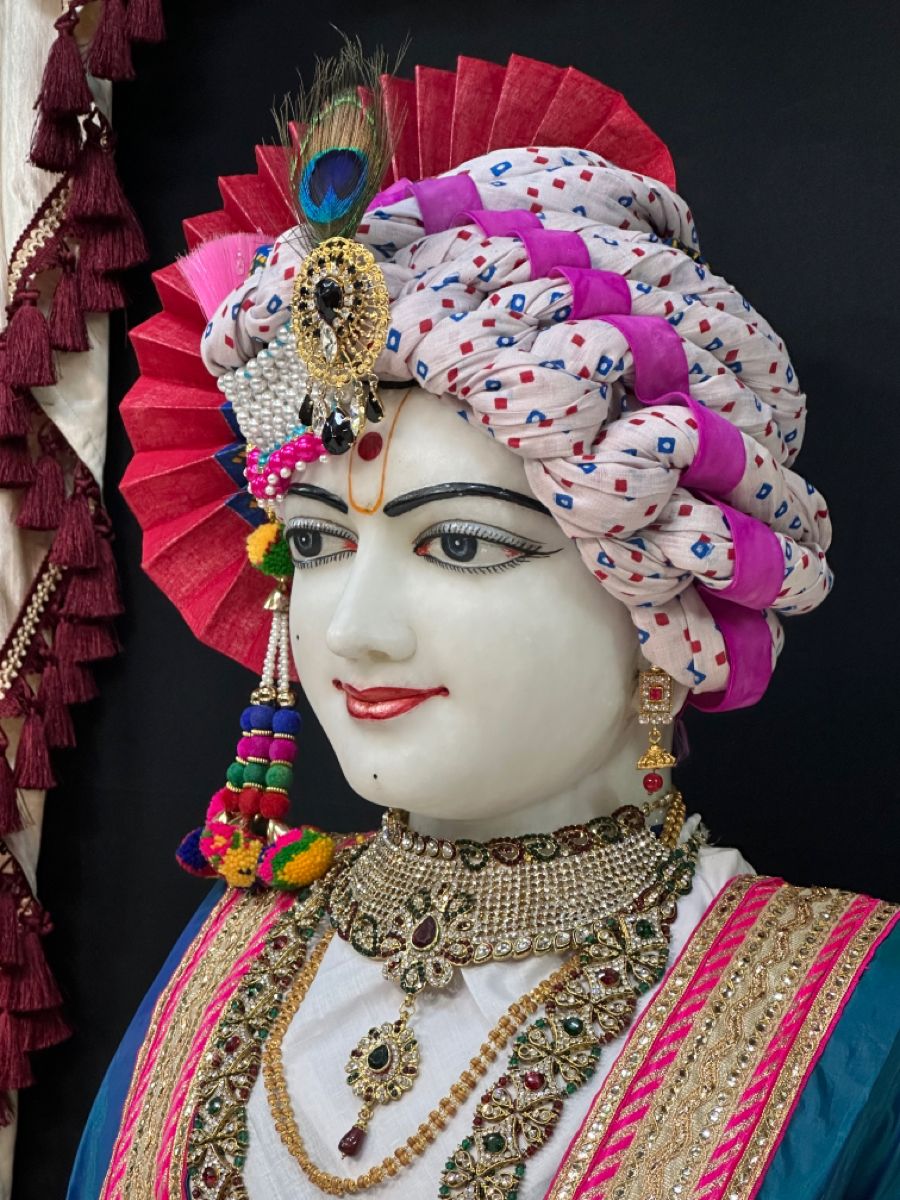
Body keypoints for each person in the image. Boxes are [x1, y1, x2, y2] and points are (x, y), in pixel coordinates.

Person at [69, 44, 899, 1200]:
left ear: (657, 586)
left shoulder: (853, 1024)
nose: (354, 633)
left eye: (460, 545)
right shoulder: (227, 951)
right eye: (317, 543)